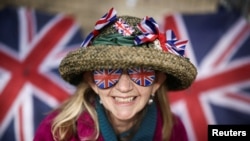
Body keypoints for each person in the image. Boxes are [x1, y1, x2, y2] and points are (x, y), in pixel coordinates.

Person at [34, 7, 197, 141]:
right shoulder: (57, 132)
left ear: (157, 82)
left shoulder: (174, 131)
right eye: (108, 72)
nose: (124, 88)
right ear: (92, 82)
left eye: (139, 72)